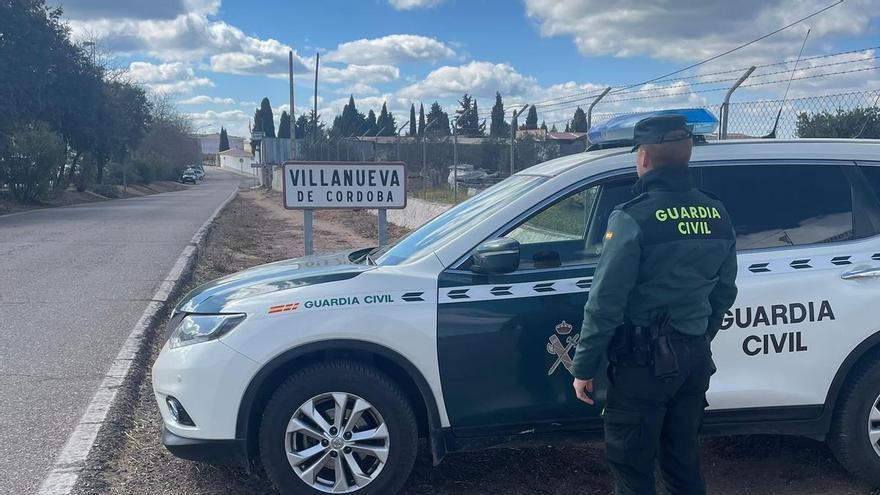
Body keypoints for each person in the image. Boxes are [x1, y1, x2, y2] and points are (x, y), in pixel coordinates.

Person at [571, 114, 738, 495]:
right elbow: (725, 290)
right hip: (694, 358)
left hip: (643, 366)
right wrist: (696, 333)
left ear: (643, 158)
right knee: (682, 464)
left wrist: (583, 366)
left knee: (632, 468)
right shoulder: (717, 213)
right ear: (688, 155)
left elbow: (605, 303)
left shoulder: (634, 218)